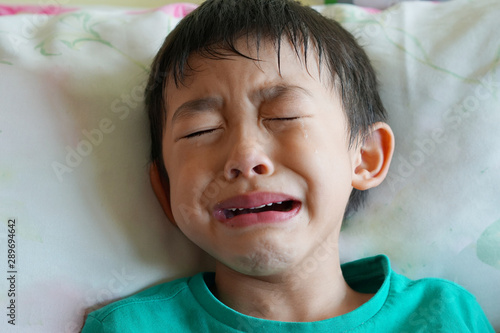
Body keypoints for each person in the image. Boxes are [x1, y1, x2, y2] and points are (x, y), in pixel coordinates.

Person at [82, 0, 494, 331]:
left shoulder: (443, 316)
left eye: (284, 116)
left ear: (365, 156)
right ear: (165, 190)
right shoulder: (130, 326)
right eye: (200, 130)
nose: (244, 157)